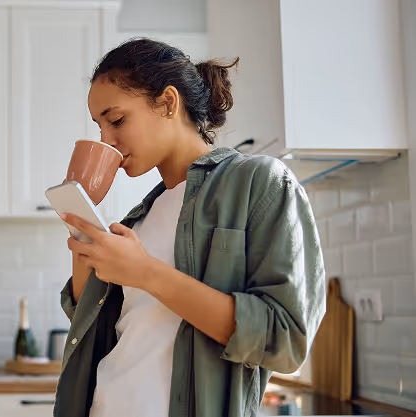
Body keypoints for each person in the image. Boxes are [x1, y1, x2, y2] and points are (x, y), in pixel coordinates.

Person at [54, 38, 326, 417]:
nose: (106, 140)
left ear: (167, 102)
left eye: (116, 120)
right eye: (99, 126)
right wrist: (81, 227)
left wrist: (146, 272)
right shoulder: (139, 218)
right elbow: (89, 321)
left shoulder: (258, 182)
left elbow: (285, 341)